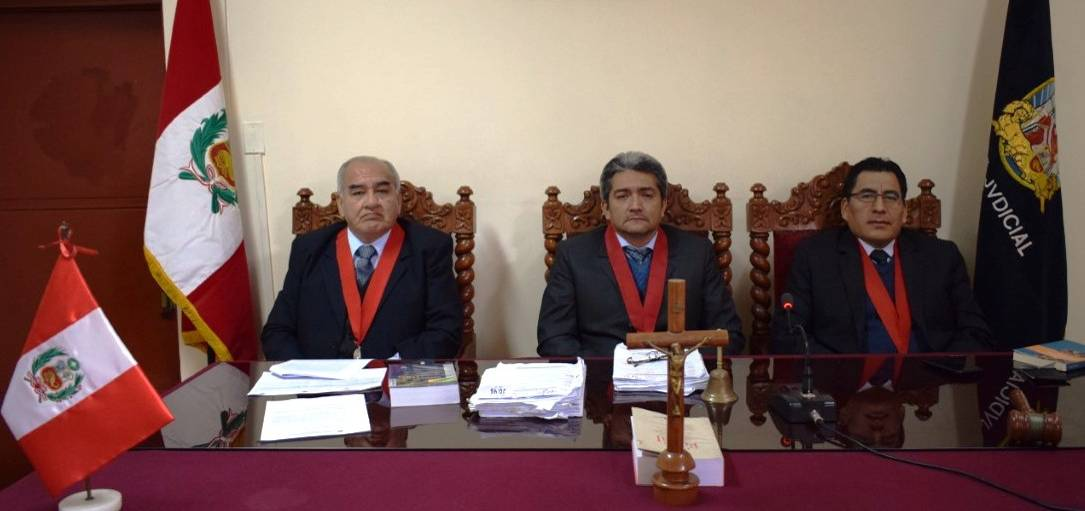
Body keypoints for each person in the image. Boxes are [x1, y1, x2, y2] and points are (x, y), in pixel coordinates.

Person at [772, 157, 991, 354]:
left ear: (904, 211)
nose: (879, 207)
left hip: (928, 380)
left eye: (891, 197)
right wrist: (843, 374)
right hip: (846, 382)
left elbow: (975, 332)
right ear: (845, 209)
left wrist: (940, 373)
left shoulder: (942, 257)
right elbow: (789, 335)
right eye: (867, 196)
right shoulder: (815, 257)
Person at [537, 151, 744, 357]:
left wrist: (683, 364)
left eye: (647, 195)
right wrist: (608, 367)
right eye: (623, 196)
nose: (635, 206)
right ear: (605, 208)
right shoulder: (572, 255)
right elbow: (553, 338)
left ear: (663, 205)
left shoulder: (698, 252)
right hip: (604, 373)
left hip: (678, 371)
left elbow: (729, 334)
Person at [262, 156, 462, 359]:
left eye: (382, 191)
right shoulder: (308, 249)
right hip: (319, 376)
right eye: (358, 193)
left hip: (395, 374)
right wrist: (303, 372)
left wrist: (392, 368)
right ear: (340, 204)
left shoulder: (430, 248)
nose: (372, 202)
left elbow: (446, 331)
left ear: (398, 200)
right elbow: (277, 332)